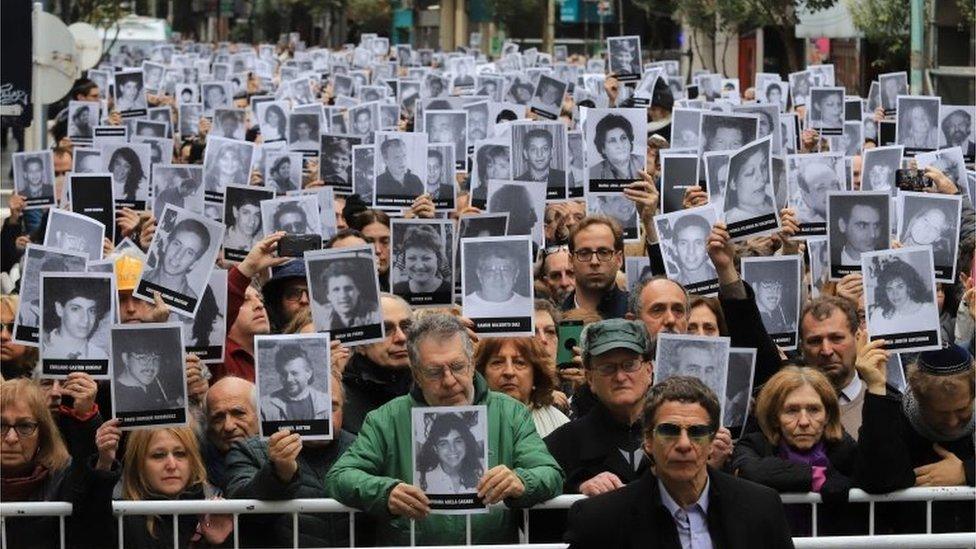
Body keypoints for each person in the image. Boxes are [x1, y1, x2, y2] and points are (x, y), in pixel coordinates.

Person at [325, 314, 563, 545]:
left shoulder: (510, 413)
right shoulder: (386, 419)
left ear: (472, 364)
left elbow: (550, 473)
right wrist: (385, 492)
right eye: (434, 372)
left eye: (458, 367)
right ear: (416, 374)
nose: (449, 380)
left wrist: (521, 481)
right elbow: (340, 477)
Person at [564, 376, 794, 549]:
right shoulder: (600, 520)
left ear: (712, 441)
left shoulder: (760, 507)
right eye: (669, 431)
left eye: (696, 432)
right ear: (648, 441)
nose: (684, 444)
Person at [856, 344, 975, 533]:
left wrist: (966, 472)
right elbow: (880, 478)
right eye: (941, 413)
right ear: (919, 399)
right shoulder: (897, 419)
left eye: (962, 409)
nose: (952, 422)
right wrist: (877, 388)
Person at [225, 373, 354, 547]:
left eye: (331, 406)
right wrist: (278, 474)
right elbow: (240, 509)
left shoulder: (361, 446)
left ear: (344, 410)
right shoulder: (250, 450)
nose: (321, 414)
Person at [732, 366, 859, 536]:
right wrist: (817, 476)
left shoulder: (841, 446)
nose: (804, 421)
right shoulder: (754, 444)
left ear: (827, 415)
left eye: (814, 410)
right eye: (791, 410)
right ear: (774, 417)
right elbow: (750, 471)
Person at [545, 319, 655, 494]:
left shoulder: (679, 432)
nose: (620, 377)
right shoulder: (563, 444)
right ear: (590, 379)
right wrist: (577, 488)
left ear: (649, 371)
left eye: (630, 365)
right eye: (607, 367)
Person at [86, 426, 235, 548]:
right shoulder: (122, 520)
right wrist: (104, 464)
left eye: (180, 454)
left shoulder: (214, 513)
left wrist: (222, 542)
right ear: (138, 464)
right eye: (158, 455)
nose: (171, 465)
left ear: (193, 461)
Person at [342, 293, 415, 434]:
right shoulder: (340, 400)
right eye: (385, 329)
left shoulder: (431, 387)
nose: (401, 337)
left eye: (406, 326)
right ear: (360, 345)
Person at [799, 296, 867, 438]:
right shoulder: (783, 405)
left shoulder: (886, 404)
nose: (826, 350)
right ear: (802, 348)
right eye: (815, 341)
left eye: (836, 338)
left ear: (858, 338)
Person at [476, 337, 569, 438]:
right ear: (482, 372)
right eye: (497, 362)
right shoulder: (470, 423)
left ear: (536, 373)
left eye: (520, 363)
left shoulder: (560, 426)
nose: (509, 371)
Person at [561, 217, 628, 318]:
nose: (594, 261)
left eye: (604, 253)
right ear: (571, 261)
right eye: (584, 253)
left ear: (619, 259)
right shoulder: (554, 321)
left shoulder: (637, 314)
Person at [201, 376, 259, 489]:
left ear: (259, 415)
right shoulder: (197, 468)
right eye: (218, 417)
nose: (228, 426)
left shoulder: (281, 460)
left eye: (238, 413)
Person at [143, 217, 212, 300]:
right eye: (177, 244)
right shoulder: (138, 279)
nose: (178, 255)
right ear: (165, 245)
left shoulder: (192, 302)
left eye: (189, 252)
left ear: (194, 264)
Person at [416, 411, 484, 494]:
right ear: (435, 449)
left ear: (466, 443)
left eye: (458, 441)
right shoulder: (423, 478)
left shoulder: (483, 470)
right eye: (443, 444)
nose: (452, 449)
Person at [260, 343, 331, 421]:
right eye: (284, 374)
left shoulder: (326, 403)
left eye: (294, 373)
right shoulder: (264, 405)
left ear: (308, 374)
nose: (288, 379)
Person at [867, 259, 939, 334]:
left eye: (900, 287)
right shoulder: (878, 315)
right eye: (889, 289)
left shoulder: (930, 311)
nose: (895, 293)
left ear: (909, 287)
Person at [113, 334, 182, 411]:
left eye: (155, 358)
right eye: (143, 358)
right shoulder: (119, 397)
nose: (151, 365)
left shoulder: (155, 385)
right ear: (125, 358)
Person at [42, 281, 110, 360]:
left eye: (91, 311)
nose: (86, 320)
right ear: (59, 309)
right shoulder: (41, 350)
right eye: (75, 309)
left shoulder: (101, 357)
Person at [313, 260, 381, 330]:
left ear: (358, 290)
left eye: (348, 288)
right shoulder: (320, 317)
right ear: (328, 296)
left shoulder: (376, 314)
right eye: (336, 290)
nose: (343, 295)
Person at [465, 244, 532, 315]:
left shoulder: (528, 307)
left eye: (505, 270)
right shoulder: (464, 306)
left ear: (516, 274)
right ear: (479, 274)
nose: (498, 277)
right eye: (490, 270)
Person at [392, 225, 451, 296]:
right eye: (412, 258)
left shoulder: (448, 291)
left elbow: (447, 274)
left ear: (437, 259)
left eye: (426, 258)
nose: (419, 266)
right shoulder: (399, 290)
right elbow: (397, 268)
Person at [724, 146, 773, 224]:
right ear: (733, 183)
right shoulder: (729, 220)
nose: (761, 178)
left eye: (763, 166)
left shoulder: (776, 206)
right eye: (750, 173)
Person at [589, 113, 643, 181]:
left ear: (630, 141)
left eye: (623, 138)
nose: (620, 145)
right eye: (612, 141)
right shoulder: (592, 174)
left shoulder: (644, 163)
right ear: (603, 149)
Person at [667, 214, 717, 285]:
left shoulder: (724, 279)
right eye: (684, 243)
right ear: (675, 249)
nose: (691, 251)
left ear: (708, 247)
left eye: (698, 243)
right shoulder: (672, 287)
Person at [835, 201, 884, 266]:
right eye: (862, 226)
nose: (873, 235)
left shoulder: (886, 262)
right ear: (842, 225)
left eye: (876, 226)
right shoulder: (831, 262)